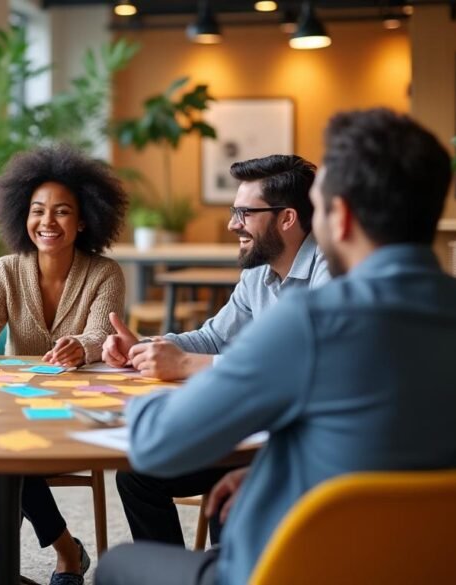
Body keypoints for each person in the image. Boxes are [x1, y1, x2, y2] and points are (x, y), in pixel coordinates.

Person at [96, 109, 456, 585]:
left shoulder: (313, 319)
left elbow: (157, 443)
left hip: (303, 570)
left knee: (118, 565)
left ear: (342, 216)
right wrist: (279, 469)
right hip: (441, 567)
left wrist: (126, 407)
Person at [102, 155, 329, 548]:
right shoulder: (258, 272)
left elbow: (308, 373)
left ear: (287, 219)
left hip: (297, 444)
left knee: (231, 507)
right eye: (233, 211)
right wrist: (146, 347)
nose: (232, 224)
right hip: (250, 432)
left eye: (244, 212)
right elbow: (214, 338)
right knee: (139, 474)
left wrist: (187, 364)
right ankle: (171, 575)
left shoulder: (330, 274)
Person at [0, 144, 128, 585]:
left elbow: (101, 334)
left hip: (74, 410)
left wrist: (81, 348)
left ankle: (9, 571)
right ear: (22, 216)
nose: (48, 222)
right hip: (15, 408)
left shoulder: (105, 273)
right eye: (37, 210)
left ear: (84, 219)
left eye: (63, 212)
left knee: (2, 461)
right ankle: (66, 552)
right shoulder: (6, 270)